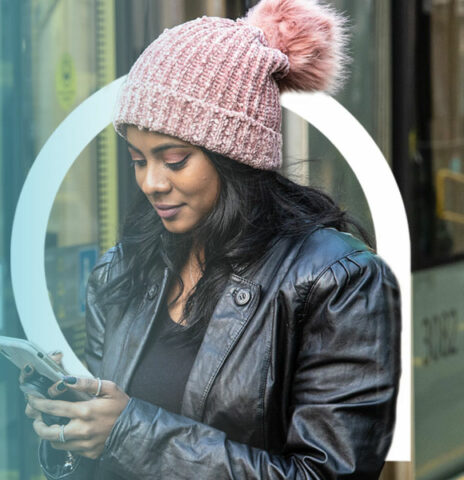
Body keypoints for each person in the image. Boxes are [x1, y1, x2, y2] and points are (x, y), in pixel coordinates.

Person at [21, 0, 401, 478]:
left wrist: (128, 431)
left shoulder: (337, 282)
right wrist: (74, 430)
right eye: (138, 159)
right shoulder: (123, 270)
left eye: (174, 159)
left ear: (234, 156)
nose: (151, 183)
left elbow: (325, 473)